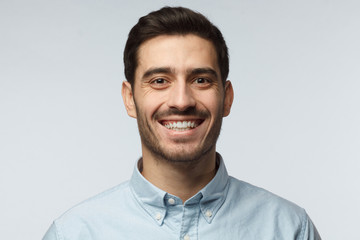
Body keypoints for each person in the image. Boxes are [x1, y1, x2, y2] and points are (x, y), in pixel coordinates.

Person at [43, 6, 321, 240]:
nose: (181, 101)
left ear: (227, 98)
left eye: (201, 80)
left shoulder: (289, 229)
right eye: (160, 81)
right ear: (130, 99)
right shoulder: (75, 233)